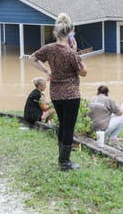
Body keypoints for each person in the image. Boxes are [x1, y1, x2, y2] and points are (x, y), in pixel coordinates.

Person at [28, 13, 87, 171]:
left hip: (56, 94)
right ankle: (64, 162)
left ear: (57, 31)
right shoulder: (70, 52)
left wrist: (46, 71)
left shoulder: (49, 48)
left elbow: (32, 58)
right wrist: (75, 52)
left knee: (62, 125)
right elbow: (83, 72)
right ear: (70, 32)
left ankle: (62, 158)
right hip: (71, 95)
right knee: (69, 127)